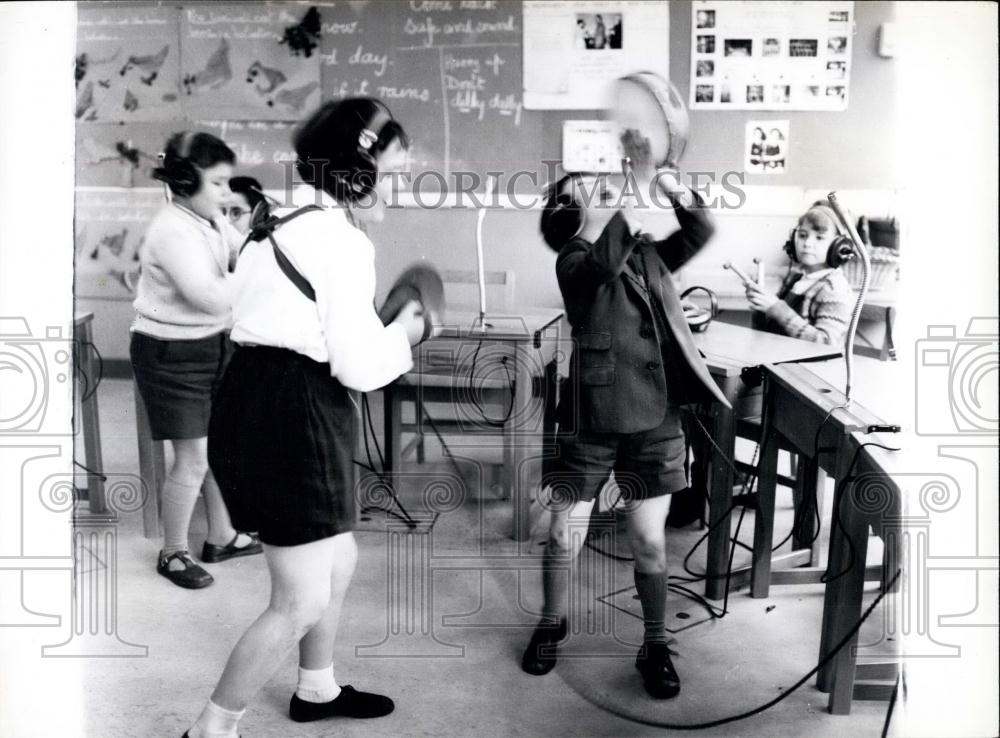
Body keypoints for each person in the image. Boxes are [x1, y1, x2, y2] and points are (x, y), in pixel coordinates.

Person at [181, 98, 427, 738]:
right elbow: (358, 367)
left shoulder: (281, 219)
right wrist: (406, 331)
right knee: (299, 599)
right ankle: (210, 728)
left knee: (337, 557)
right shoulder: (340, 240)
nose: (395, 189)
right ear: (358, 171)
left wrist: (383, 332)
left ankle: (316, 689)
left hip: (253, 396)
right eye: (391, 173)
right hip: (294, 413)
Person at [523, 152, 730, 700]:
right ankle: (551, 622)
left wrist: (665, 181)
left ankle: (656, 643)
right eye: (587, 187)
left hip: (656, 417)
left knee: (649, 542)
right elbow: (599, 269)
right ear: (571, 211)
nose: (602, 186)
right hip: (592, 419)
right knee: (565, 533)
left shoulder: (648, 254)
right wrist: (631, 199)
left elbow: (700, 227)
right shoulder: (573, 260)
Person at [132, 131, 262, 590]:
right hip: (171, 355)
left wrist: (259, 243)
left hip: (212, 346)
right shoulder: (171, 229)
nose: (228, 194)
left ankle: (222, 536)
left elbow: (237, 251)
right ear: (185, 181)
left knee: (217, 447)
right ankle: (173, 553)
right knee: (192, 459)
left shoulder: (207, 220)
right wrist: (258, 274)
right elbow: (209, 297)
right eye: (220, 184)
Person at [745, 200, 855, 344]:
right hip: (779, 358)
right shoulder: (796, 278)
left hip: (811, 366)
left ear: (840, 247)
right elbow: (769, 332)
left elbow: (827, 344)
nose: (807, 243)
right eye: (803, 235)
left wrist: (777, 308)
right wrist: (761, 305)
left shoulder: (834, 290)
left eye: (819, 237)